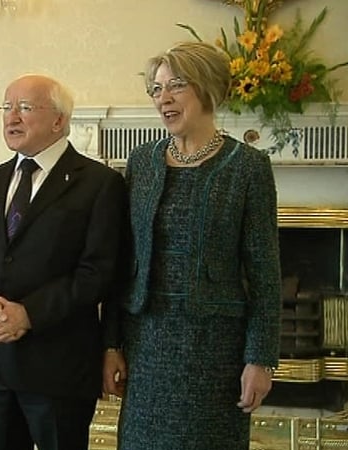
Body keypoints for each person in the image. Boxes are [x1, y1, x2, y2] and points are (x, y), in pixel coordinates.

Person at [105, 41, 282, 450]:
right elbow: (122, 262)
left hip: (215, 354)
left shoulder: (248, 167)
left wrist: (260, 359)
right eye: (155, 88)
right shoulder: (141, 162)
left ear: (206, 88)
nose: (162, 98)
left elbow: (265, 273)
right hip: (146, 346)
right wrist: (111, 344)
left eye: (176, 85)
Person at [0, 74, 128, 450]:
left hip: (59, 369)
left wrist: (27, 314)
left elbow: (98, 272)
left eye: (25, 108)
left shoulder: (99, 184)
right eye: (6, 107)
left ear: (59, 120)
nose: (11, 117)